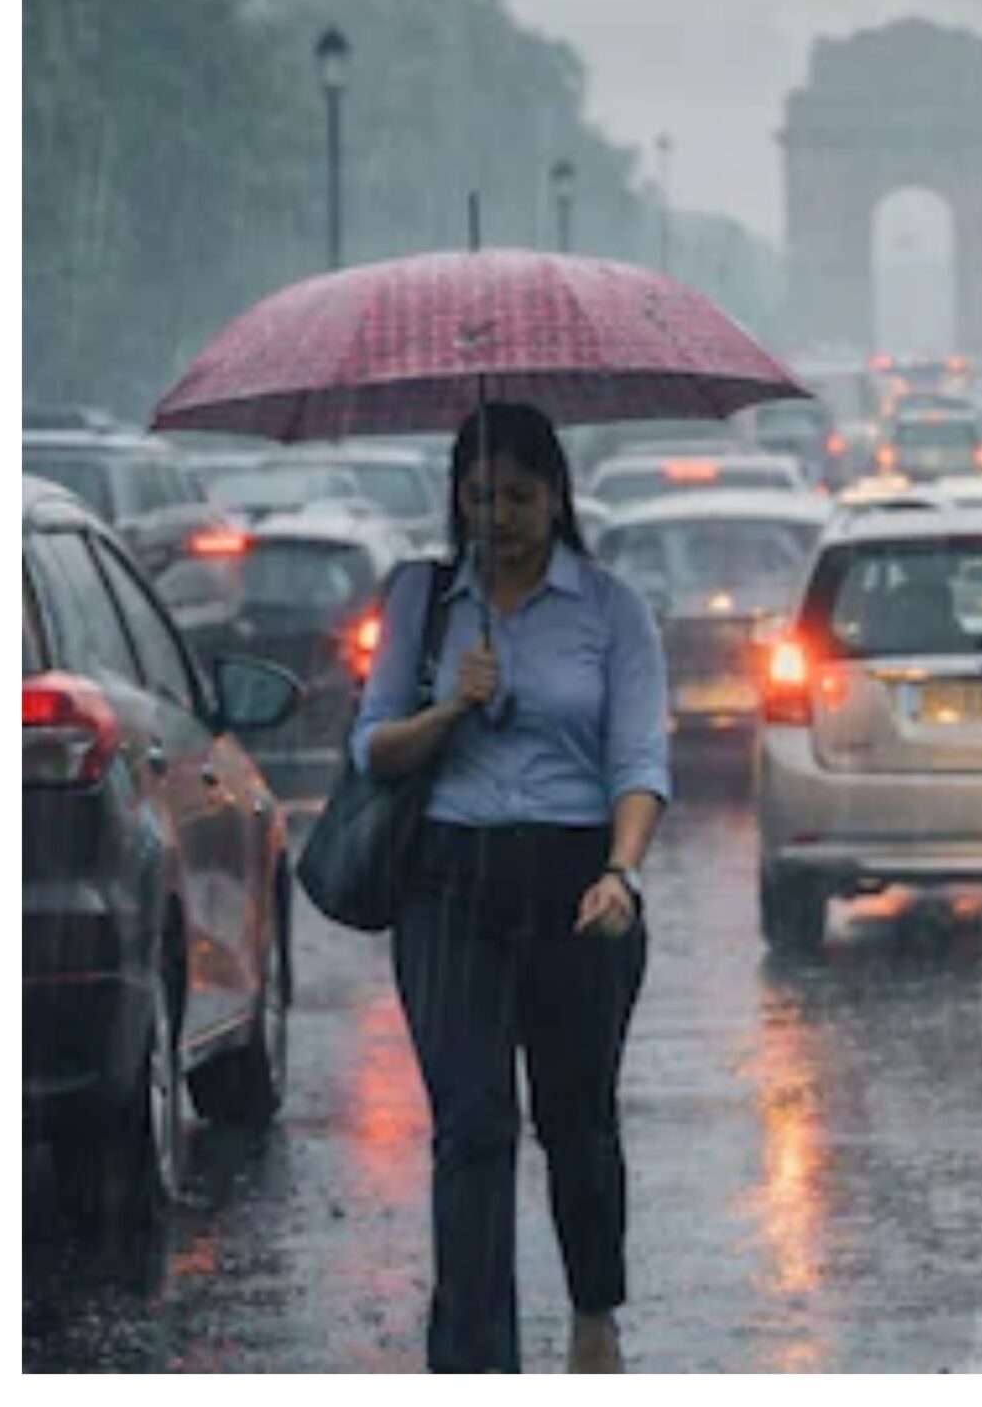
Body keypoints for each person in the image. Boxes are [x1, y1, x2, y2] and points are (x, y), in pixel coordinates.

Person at [350, 402, 672, 1373]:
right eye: (481, 496)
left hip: (578, 883)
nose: (499, 517)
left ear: (557, 495)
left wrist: (621, 871)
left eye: (520, 497)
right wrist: (454, 704)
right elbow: (372, 747)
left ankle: (594, 1315)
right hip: (450, 885)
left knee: (577, 1117)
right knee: (472, 1126)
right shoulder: (423, 600)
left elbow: (640, 761)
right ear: (457, 497)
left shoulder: (611, 609)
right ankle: (473, 1360)